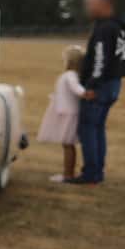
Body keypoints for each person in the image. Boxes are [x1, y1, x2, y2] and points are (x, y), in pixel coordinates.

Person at [72, 0, 125, 185]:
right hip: (114, 83)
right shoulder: (119, 26)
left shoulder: (104, 28)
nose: (88, 8)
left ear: (104, 4)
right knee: (97, 128)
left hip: (101, 85)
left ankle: (91, 173)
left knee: (88, 128)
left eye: (91, 4)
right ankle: (97, 171)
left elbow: (100, 58)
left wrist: (92, 85)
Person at [37, 44, 86, 182]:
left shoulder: (69, 75)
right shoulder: (73, 75)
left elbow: (76, 88)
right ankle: (68, 173)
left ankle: (68, 174)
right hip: (68, 112)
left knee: (68, 144)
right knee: (68, 144)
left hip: (68, 114)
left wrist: (85, 94)